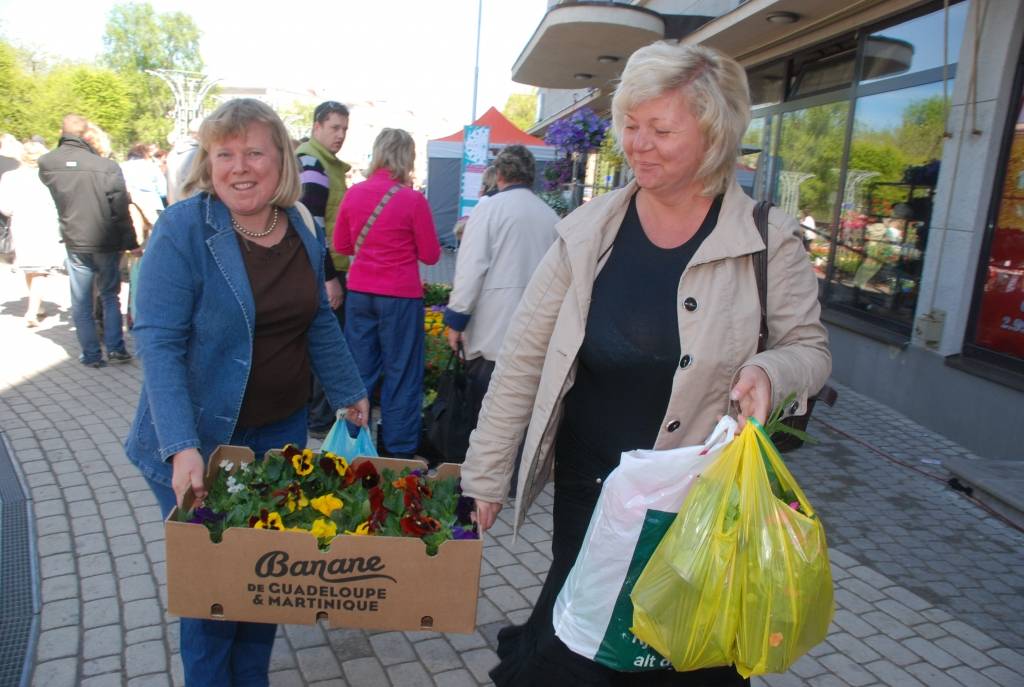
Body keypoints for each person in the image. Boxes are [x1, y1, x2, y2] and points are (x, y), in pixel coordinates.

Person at [459, 41, 831, 685]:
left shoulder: (767, 239)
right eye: (631, 124)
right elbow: (521, 361)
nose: (639, 143)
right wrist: (486, 473)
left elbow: (811, 349)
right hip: (591, 496)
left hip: (701, 509)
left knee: (676, 658)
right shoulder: (587, 231)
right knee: (575, 655)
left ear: (714, 136)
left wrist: (772, 371)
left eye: (661, 129)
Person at [124, 98, 370, 687]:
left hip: (277, 441)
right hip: (199, 443)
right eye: (224, 153)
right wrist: (183, 446)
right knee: (213, 594)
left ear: (279, 159)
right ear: (207, 163)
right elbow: (158, 343)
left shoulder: (301, 230)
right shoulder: (187, 227)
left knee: (264, 586)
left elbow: (315, 320)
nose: (239, 167)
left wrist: (349, 391)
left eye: (253, 152)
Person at [333, 127, 440, 457]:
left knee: (360, 374)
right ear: (406, 157)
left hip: (361, 293)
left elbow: (341, 245)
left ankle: (351, 447)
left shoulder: (354, 194)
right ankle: (398, 455)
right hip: (401, 297)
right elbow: (431, 255)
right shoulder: (412, 200)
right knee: (402, 375)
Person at [444, 145, 558, 434]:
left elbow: (471, 269)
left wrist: (456, 320)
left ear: (500, 174)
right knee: (521, 425)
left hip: (491, 337)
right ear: (532, 176)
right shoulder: (551, 217)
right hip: (535, 338)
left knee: (485, 423)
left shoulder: (487, 210)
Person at [38, 114, 138, 368]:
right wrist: (131, 241)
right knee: (109, 295)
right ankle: (116, 349)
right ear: (87, 136)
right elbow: (119, 208)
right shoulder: (105, 167)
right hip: (106, 239)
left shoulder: (48, 163)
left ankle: (92, 353)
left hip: (75, 238)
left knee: (81, 300)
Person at [296, 100, 353, 437]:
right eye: (334, 127)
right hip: (322, 270)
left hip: (325, 266)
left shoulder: (324, 162)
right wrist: (330, 277)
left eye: (345, 129)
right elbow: (312, 225)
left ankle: (313, 415)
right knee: (325, 342)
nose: (341, 135)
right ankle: (318, 420)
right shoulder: (312, 160)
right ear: (317, 126)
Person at [0, 141, 64, 326]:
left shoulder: (10, 177)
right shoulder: (49, 176)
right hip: (45, 224)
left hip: (21, 224)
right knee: (40, 270)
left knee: (30, 267)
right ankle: (33, 310)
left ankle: (37, 305)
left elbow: (5, 207)